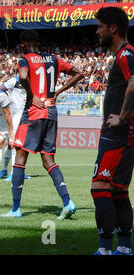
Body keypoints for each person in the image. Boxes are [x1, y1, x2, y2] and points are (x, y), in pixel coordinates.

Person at [1, 29, 83, 219]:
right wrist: (58, 91)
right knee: (48, 160)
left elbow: (22, 76)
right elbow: (79, 73)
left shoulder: (25, 59)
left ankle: (15, 209)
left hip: (33, 113)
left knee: (20, 156)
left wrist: (31, 96)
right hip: (52, 112)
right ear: (37, 42)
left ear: (23, 44)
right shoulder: (54, 58)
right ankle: (67, 202)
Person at [91, 6, 134, 255]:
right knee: (119, 191)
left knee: (99, 187)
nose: (97, 31)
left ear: (113, 28)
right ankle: (124, 248)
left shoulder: (125, 54)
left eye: (100, 26)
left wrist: (121, 118)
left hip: (118, 134)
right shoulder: (125, 54)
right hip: (125, 133)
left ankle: (104, 249)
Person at [0, 75, 31, 180]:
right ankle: (11, 172)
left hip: (26, 114)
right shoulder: (15, 80)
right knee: (13, 144)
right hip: (15, 115)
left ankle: (19, 170)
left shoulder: (33, 80)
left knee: (21, 145)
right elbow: (2, 89)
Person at [0, 89, 14, 178]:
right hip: (1, 122)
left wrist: (11, 131)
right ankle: (4, 170)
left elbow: (8, 114)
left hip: (11, 122)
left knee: (12, 145)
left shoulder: (2, 96)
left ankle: (14, 172)